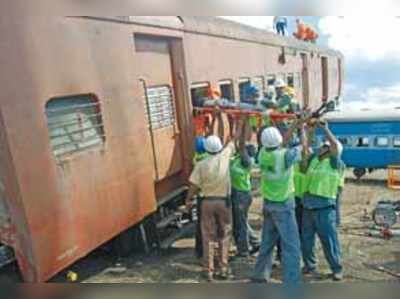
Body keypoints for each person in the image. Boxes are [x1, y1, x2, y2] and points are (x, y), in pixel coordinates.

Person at [185, 108, 239, 282]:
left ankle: (208, 270)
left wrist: (188, 200)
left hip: (206, 202)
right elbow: (232, 138)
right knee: (225, 234)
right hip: (224, 202)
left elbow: (193, 185)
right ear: (219, 147)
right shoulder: (225, 156)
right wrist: (231, 120)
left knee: (207, 236)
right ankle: (223, 268)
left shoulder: (200, 164)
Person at [252, 118, 306, 283]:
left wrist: (296, 124)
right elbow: (302, 147)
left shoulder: (262, 154)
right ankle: (291, 280)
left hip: (269, 204)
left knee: (267, 243)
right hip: (284, 205)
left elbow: (282, 143)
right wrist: (302, 128)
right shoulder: (285, 156)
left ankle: (260, 275)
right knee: (291, 245)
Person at [301, 120, 344, 281]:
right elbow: (305, 148)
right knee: (306, 240)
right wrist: (307, 130)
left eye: (324, 147)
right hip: (308, 207)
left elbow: (334, 146)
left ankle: (336, 268)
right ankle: (309, 265)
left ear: (330, 151)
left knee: (329, 241)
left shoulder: (335, 163)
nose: (321, 147)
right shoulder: (314, 160)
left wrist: (325, 129)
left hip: (325, 209)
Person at [230, 117, 260, 258]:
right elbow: (238, 144)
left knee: (240, 224)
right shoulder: (240, 159)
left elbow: (241, 144)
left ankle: (243, 250)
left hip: (241, 195)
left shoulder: (246, 161)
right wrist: (238, 124)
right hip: (240, 193)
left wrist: (242, 124)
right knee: (242, 221)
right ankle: (255, 242)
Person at [193, 136, 209, 259]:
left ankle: (200, 251)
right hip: (213, 196)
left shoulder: (196, 159)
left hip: (201, 196)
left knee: (200, 225)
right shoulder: (209, 159)